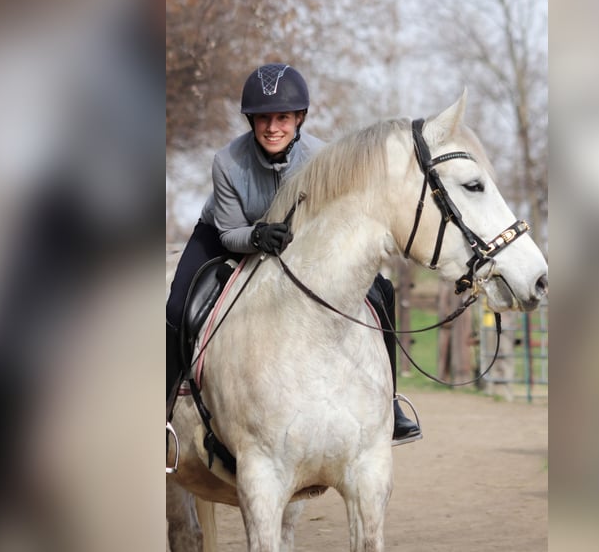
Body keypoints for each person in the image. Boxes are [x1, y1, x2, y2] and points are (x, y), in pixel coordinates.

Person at [166, 63, 420, 444]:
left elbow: (333, 227)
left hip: (299, 244)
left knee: (381, 291)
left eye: (282, 117)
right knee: (176, 307)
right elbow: (230, 231)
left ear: (299, 118)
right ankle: (165, 404)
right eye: (263, 118)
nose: (273, 127)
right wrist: (257, 237)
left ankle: (391, 404)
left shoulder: (324, 157)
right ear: (251, 121)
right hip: (226, 233)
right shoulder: (227, 162)